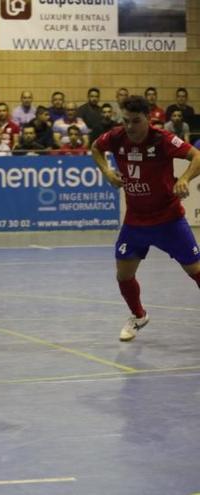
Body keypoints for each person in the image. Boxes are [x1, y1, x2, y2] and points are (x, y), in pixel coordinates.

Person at [90, 95, 200, 342]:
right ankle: (138, 316)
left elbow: (197, 156)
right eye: (126, 120)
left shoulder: (162, 139)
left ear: (148, 120)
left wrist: (184, 179)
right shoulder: (116, 137)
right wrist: (107, 171)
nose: (130, 126)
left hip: (168, 218)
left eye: (136, 121)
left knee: (195, 270)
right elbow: (96, 148)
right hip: (135, 221)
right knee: (123, 275)